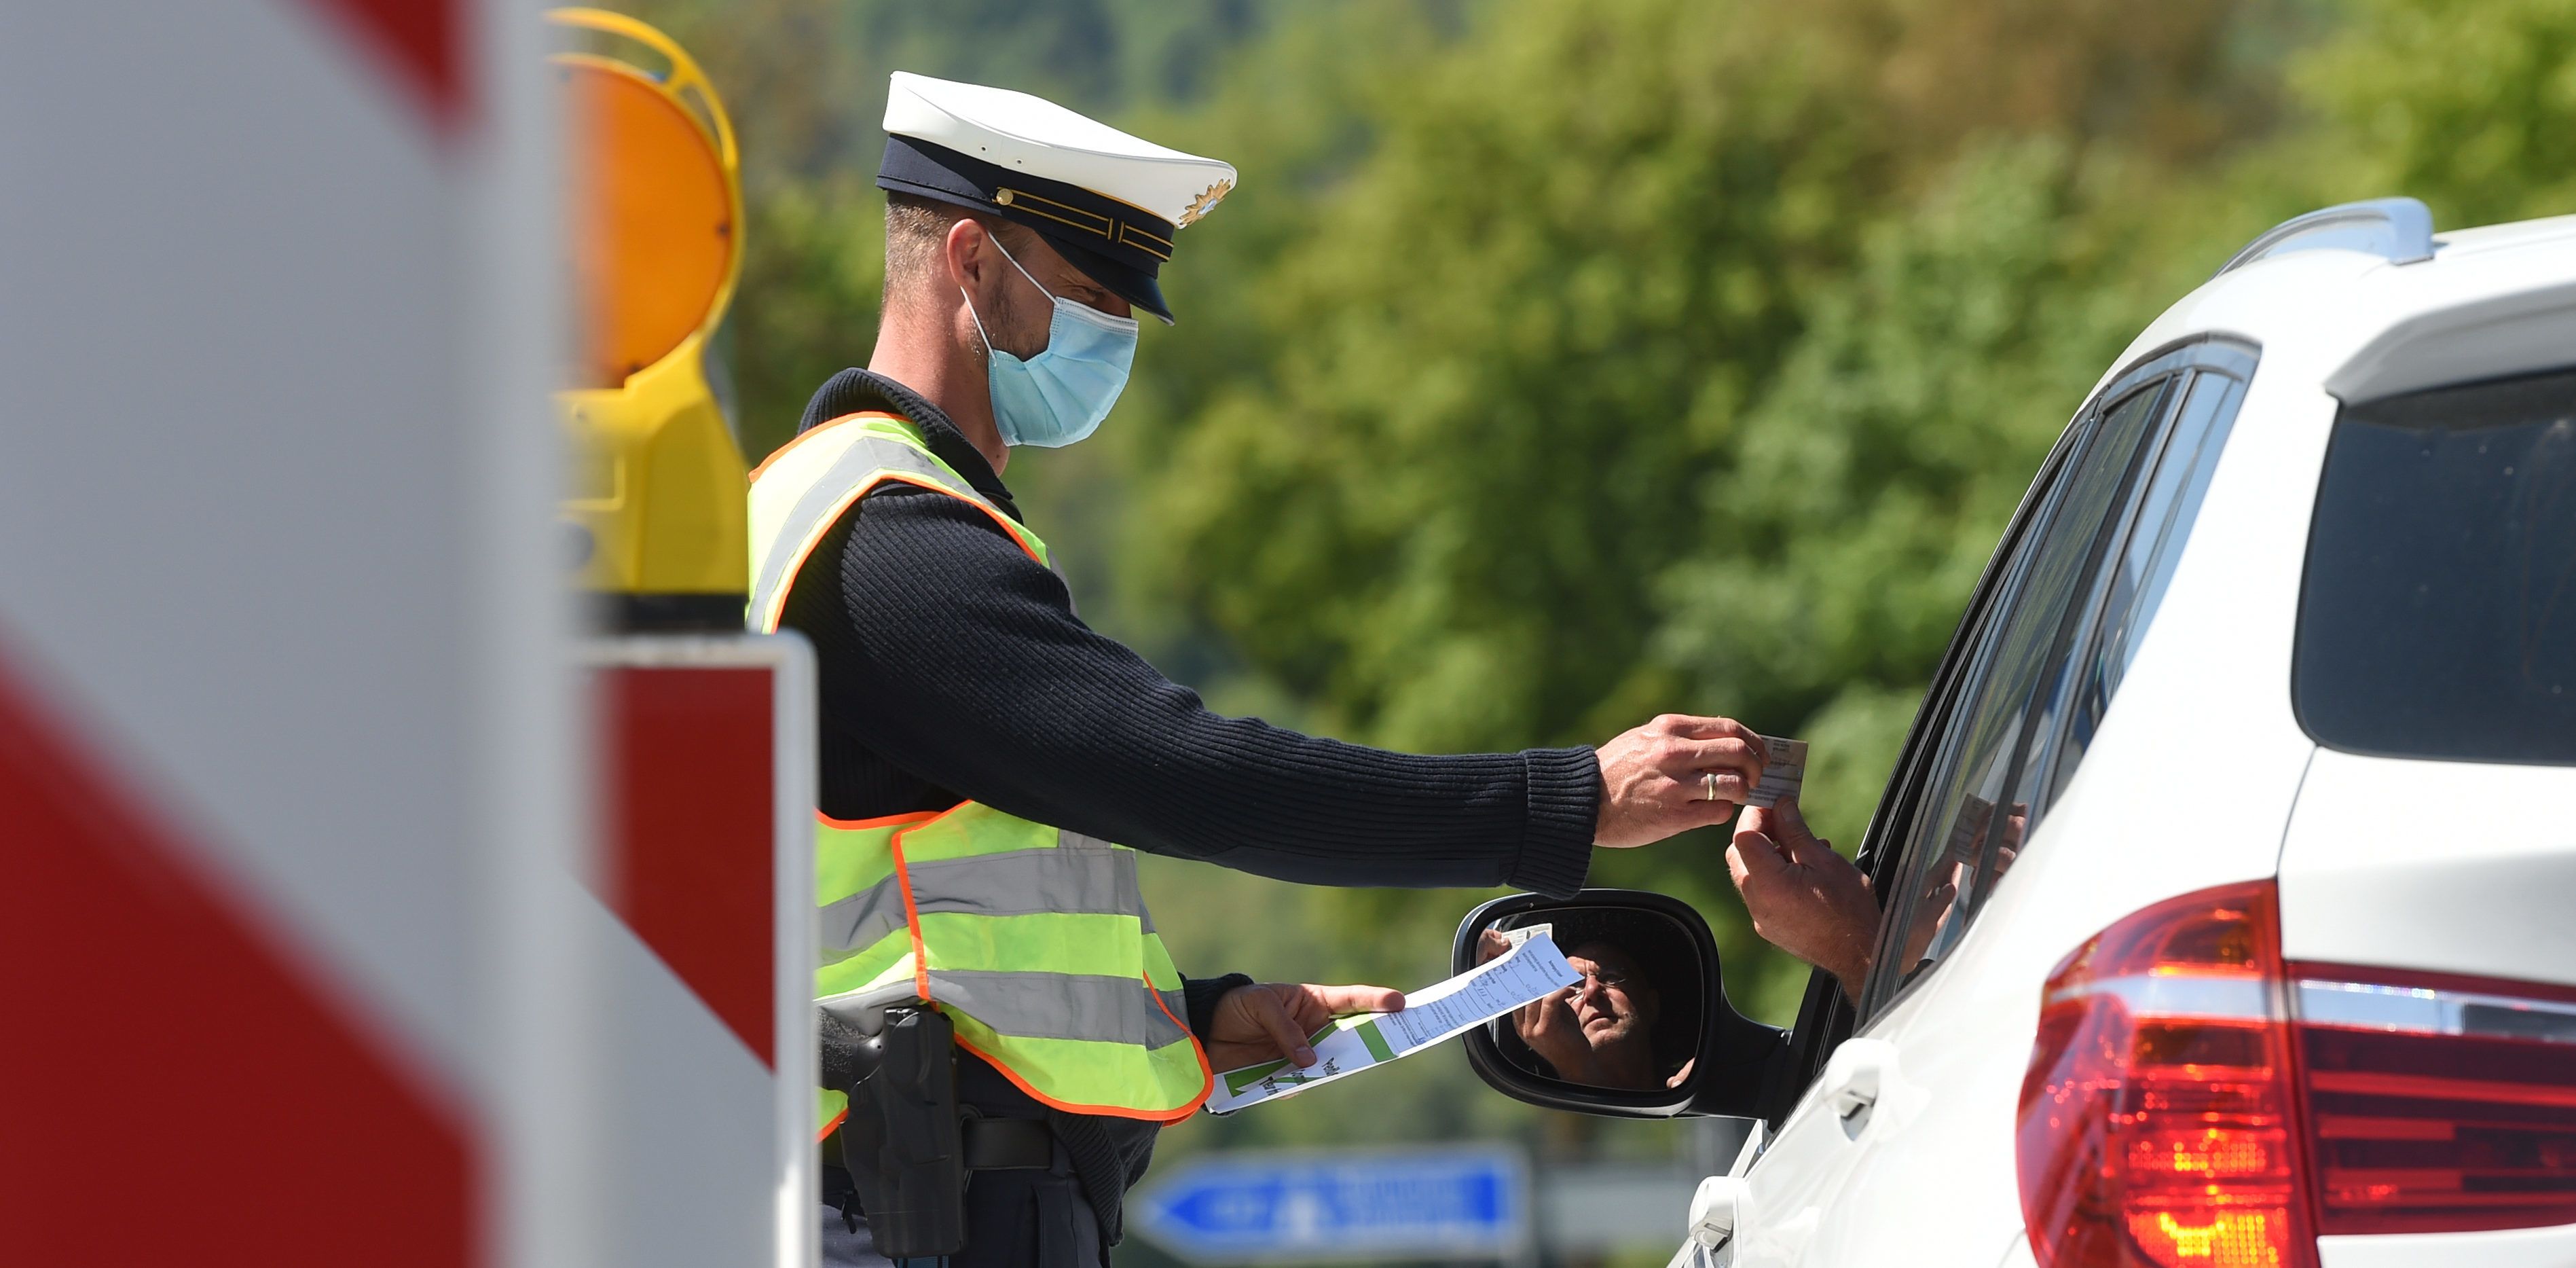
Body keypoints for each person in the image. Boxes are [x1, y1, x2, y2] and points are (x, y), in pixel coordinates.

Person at [747, 73, 1775, 1267]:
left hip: (918, 1192)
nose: (1110, 343)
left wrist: (1195, 1017)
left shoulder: (834, 513)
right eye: (1085, 297)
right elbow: (1186, 777)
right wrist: (1566, 802)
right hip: (906, 1213)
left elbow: (925, 921)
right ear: (969, 262)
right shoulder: (889, 541)